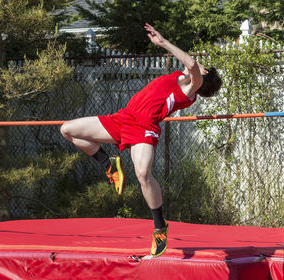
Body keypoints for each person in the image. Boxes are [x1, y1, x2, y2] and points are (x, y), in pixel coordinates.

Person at [60, 23, 222, 258]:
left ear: (202, 76)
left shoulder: (191, 88)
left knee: (143, 175)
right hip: (123, 119)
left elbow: (191, 64)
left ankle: (159, 228)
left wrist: (164, 42)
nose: (198, 66)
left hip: (145, 127)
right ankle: (108, 163)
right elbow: (189, 65)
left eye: (202, 68)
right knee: (68, 130)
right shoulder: (178, 76)